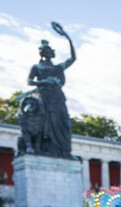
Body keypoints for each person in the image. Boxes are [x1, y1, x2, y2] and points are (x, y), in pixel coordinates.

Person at [27, 23, 76, 158]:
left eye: (50, 51)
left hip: (58, 97)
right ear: (42, 53)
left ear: (52, 53)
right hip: (45, 98)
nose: (48, 52)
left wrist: (68, 39)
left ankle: (64, 151)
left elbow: (73, 58)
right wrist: (44, 82)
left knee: (65, 124)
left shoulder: (58, 67)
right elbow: (29, 81)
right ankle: (49, 150)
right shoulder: (37, 67)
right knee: (48, 124)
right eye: (46, 51)